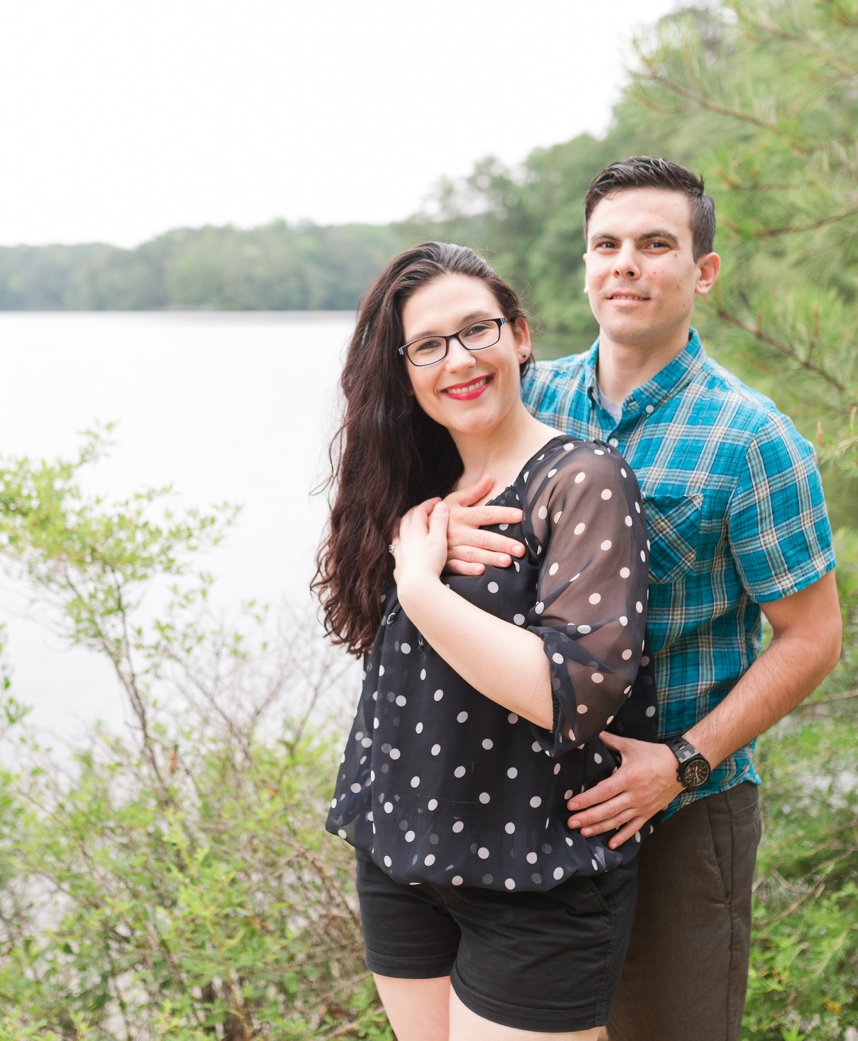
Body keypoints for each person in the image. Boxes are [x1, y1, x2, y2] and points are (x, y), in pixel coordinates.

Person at [441, 157, 844, 1041]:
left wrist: (682, 764)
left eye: (655, 244)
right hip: (529, 798)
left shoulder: (755, 441)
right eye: (607, 244)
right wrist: (434, 531)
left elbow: (812, 639)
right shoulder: (526, 394)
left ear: (702, 271)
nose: (626, 263)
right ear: (585, 265)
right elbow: (426, 515)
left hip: (681, 811)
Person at [316, 242, 655, 1039]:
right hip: (400, 853)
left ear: (521, 335)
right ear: (403, 372)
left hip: (536, 873)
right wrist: (407, 538)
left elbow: (569, 693)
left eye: (477, 330)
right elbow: (362, 620)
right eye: (428, 345)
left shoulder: (583, 479)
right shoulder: (416, 492)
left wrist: (422, 588)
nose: (457, 359)